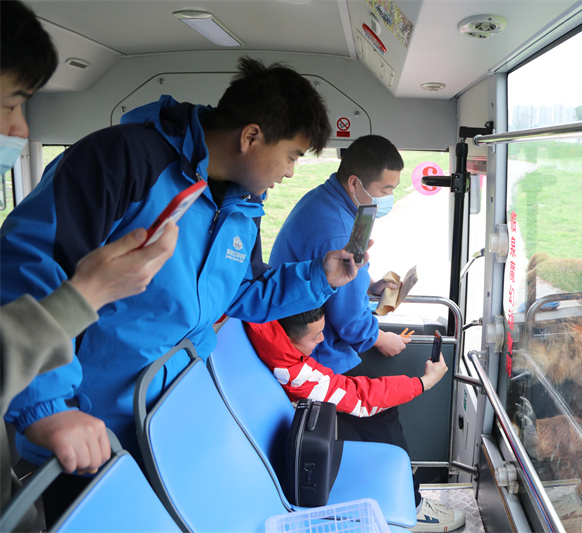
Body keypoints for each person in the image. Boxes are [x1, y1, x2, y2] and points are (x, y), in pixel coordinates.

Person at [0, 49, 367, 507]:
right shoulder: (123, 160)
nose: (291, 171)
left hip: (171, 419)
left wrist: (321, 276)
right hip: (88, 432)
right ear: (251, 137)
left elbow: (242, 294)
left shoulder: (241, 208)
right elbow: (27, 270)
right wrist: (46, 408)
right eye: (290, 155)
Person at [0, 0, 178, 526]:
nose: (19, 129)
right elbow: (25, 268)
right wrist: (86, 297)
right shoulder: (118, 162)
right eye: (11, 103)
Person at [268, 134, 466, 532]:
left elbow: (347, 278)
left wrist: (370, 286)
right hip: (317, 351)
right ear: (356, 183)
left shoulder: (333, 204)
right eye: (386, 189)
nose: (389, 196)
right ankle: (411, 508)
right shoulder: (335, 227)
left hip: (317, 341)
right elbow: (348, 321)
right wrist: (380, 338)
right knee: (379, 415)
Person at [246, 308, 448, 415]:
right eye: (315, 337)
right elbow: (359, 397)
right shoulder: (297, 375)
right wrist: (423, 382)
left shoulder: (258, 312)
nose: (322, 340)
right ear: (290, 339)